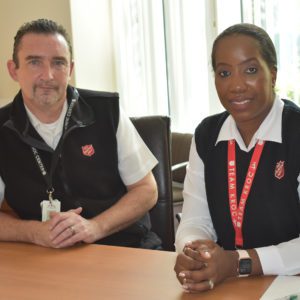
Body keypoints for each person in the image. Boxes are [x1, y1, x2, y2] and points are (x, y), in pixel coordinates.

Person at [0, 18, 161, 249]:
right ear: (14, 70)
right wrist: (33, 232)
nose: (48, 75)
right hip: (43, 255)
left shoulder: (107, 111)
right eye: (34, 62)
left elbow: (147, 190)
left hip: (122, 247)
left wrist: (95, 227)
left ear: (71, 69)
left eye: (58, 63)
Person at [174, 23, 300, 293]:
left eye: (251, 70)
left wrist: (239, 262)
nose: (236, 85)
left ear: (273, 74)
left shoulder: (296, 133)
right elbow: (195, 219)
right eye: (224, 73)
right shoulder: (207, 135)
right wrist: (195, 254)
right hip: (227, 286)